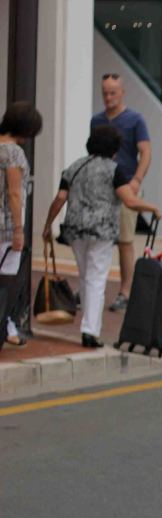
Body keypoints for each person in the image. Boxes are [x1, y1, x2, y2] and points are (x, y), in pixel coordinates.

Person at [41, 126, 162, 348]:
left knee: (86, 276)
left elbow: (60, 198)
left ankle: (88, 326)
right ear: (114, 149)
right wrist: (152, 208)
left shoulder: (74, 167)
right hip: (102, 231)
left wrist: (48, 225)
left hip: (75, 230)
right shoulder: (115, 170)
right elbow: (130, 201)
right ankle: (90, 331)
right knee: (96, 278)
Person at [91, 73, 152, 313]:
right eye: (105, 92)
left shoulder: (135, 120)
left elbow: (146, 152)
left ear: (122, 92)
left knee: (125, 241)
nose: (108, 97)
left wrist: (137, 179)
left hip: (126, 186)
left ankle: (125, 292)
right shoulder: (96, 121)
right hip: (101, 189)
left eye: (113, 92)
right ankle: (94, 287)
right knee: (98, 240)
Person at [0, 102, 43, 351]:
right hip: (6, 227)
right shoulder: (13, 153)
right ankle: (7, 328)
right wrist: (18, 230)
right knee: (6, 282)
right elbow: (14, 194)